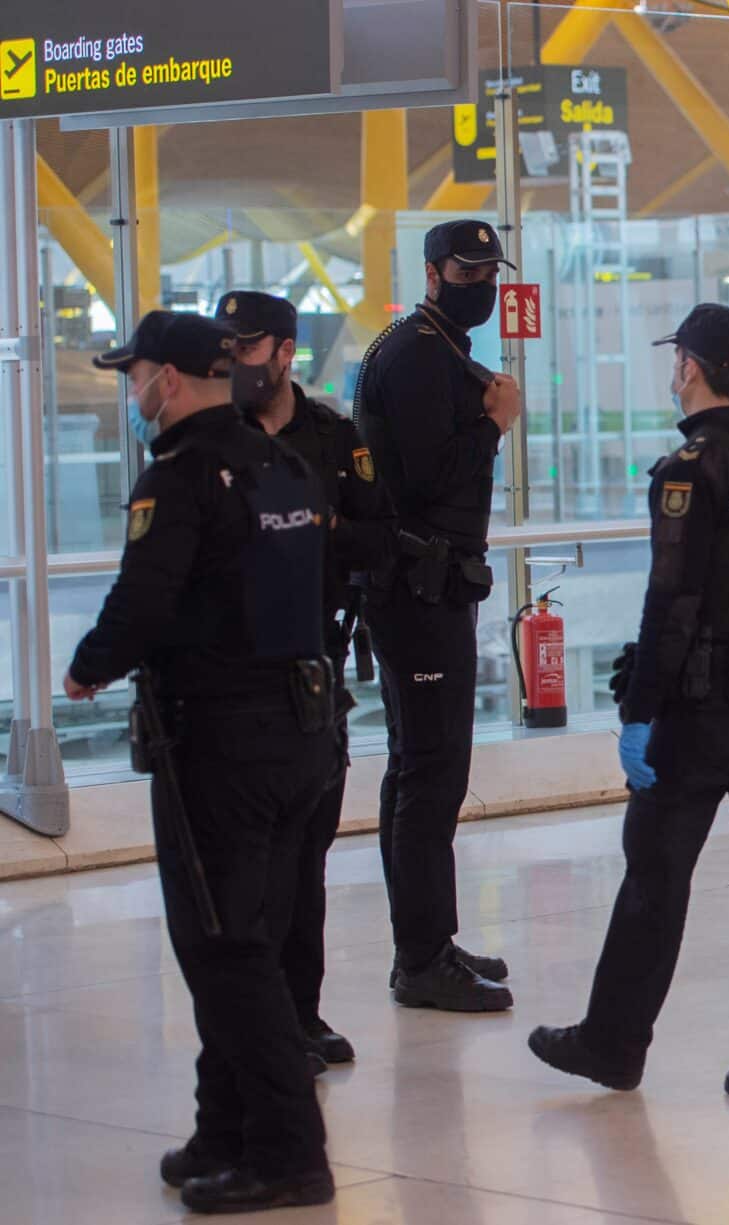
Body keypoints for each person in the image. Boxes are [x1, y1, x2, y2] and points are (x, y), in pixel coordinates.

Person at [65, 311, 338, 1213]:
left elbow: (144, 596)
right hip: (304, 733)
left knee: (224, 948)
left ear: (168, 381)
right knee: (251, 937)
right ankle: (223, 1129)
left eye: (133, 373)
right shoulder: (282, 462)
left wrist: (87, 667)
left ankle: (289, 1153)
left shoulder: (178, 477)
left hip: (221, 743)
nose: (131, 391)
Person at [529, 304, 729, 1103]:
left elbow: (673, 602)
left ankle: (613, 1042)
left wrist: (639, 709)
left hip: (701, 711)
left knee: (655, 880)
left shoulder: (693, 467)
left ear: (689, 367)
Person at [218, 290, 395, 1070]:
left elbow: (381, 535)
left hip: (311, 676)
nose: (234, 362)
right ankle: (253, 1026)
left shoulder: (331, 437)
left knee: (306, 857)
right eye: (225, 348)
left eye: (247, 348)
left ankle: (302, 1013)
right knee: (246, 868)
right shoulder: (207, 439)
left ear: (285, 352)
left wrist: (321, 530)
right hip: (228, 678)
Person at [354, 219, 523, 1011]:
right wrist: (493, 422)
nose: (481, 281)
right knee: (431, 768)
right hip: (415, 586)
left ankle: (425, 941)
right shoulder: (418, 352)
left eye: (489, 269)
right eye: (467, 268)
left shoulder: (430, 344)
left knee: (420, 764)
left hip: (429, 584)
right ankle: (420, 957)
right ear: (432, 271)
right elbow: (424, 480)